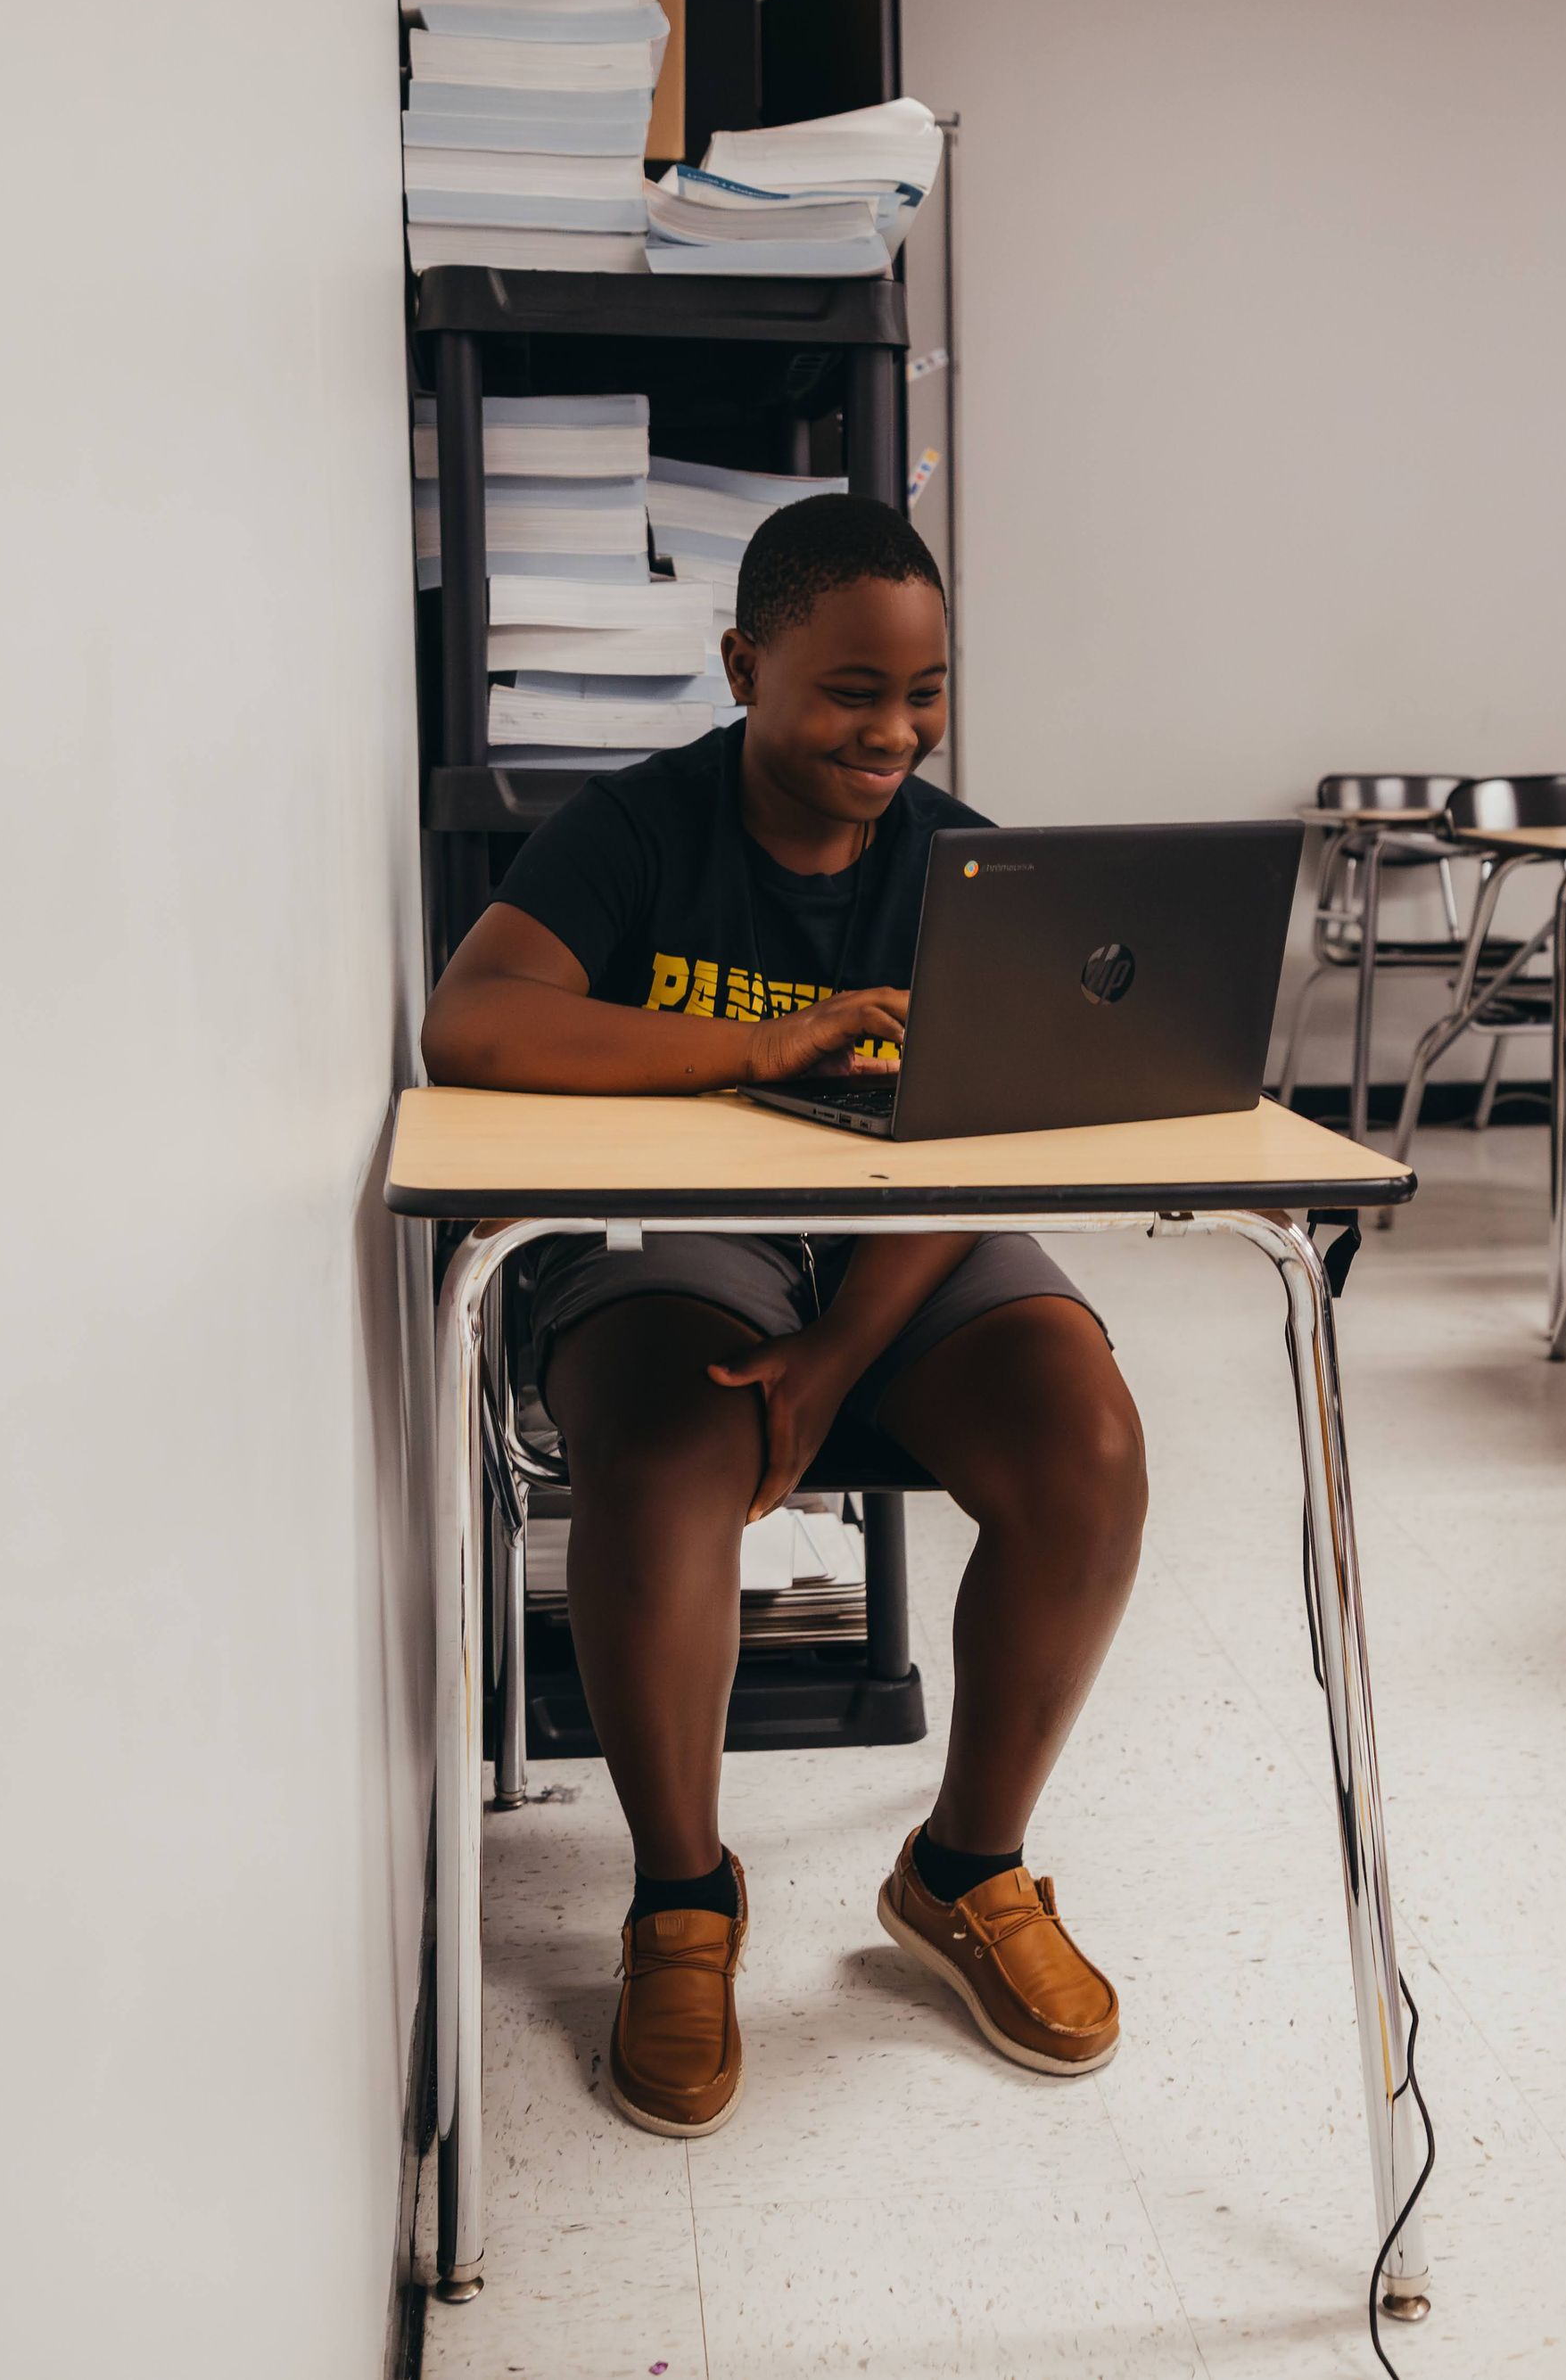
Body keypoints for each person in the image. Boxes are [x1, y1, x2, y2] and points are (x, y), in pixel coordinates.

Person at [421, 494, 1148, 2136]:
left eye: (925, 692)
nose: (893, 731)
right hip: (688, 1234)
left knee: (1087, 1442)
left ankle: (965, 1874)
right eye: (849, 692)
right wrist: (762, 1043)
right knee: (674, 1455)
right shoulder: (636, 831)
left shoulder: (971, 861)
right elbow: (474, 1024)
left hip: (905, 1249)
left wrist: (834, 1359)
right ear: (745, 665)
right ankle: (683, 1901)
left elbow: (971, 1151)